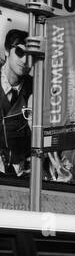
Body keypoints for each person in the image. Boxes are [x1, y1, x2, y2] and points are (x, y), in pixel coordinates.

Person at [0, 29, 33, 177]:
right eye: (19, 52)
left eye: (30, 56)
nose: (25, 60)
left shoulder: (36, 90)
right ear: (6, 51)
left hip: (22, 177)